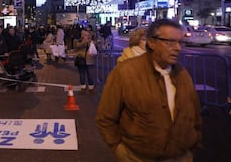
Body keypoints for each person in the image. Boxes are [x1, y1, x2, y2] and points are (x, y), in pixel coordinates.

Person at [95, 18, 201, 161]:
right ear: (151, 42)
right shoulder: (126, 72)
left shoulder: (183, 75)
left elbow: (194, 116)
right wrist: (119, 150)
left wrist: (192, 143)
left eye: (180, 42)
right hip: (136, 157)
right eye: (170, 42)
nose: (178, 48)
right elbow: (105, 117)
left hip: (180, 156)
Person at [74, 28, 95, 92]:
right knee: (82, 75)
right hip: (81, 60)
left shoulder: (91, 42)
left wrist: (92, 43)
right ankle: (83, 87)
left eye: (88, 35)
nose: (87, 36)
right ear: (82, 36)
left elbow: (95, 49)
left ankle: (91, 87)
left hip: (89, 60)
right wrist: (84, 42)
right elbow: (76, 47)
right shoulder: (78, 41)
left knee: (90, 75)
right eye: (85, 35)